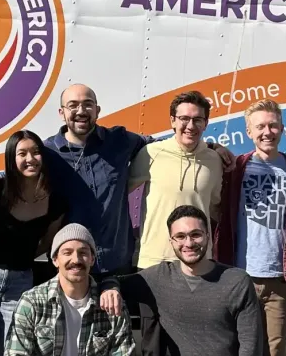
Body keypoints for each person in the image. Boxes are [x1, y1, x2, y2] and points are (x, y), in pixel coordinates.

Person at [43, 83, 234, 280]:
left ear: (97, 110)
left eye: (88, 104)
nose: (81, 111)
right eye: (73, 105)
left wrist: (210, 146)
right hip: (72, 264)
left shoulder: (120, 141)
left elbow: (177, 144)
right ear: (61, 112)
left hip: (116, 263)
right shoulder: (46, 153)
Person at [213, 99, 286, 356]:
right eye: (260, 126)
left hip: (279, 281)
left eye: (273, 125)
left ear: (282, 129)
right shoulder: (235, 168)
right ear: (249, 132)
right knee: (236, 348)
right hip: (238, 277)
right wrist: (212, 146)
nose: (266, 132)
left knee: (273, 350)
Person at [127, 91, 223, 354]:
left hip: (198, 267)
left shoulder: (214, 160)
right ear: (172, 121)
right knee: (153, 344)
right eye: (183, 118)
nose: (190, 126)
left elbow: (215, 208)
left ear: (206, 124)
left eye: (198, 120)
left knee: (194, 344)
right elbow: (117, 193)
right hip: (154, 264)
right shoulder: (151, 153)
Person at [99, 205, 264, 356]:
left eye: (196, 234)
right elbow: (115, 280)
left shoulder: (237, 281)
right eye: (180, 236)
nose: (189, 243)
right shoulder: (159, 277)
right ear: (171, 242)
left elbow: (251, 347)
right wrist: (110, 288)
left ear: (208, 236)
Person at [0, 130, 65, 355]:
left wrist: (23, 252)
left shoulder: (56, 201)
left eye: (36, 152)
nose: (30, 159)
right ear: (12, 158)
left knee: (12, 347)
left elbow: (47, 242)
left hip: (21, 281)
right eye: (22, 153)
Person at [4, 223, 135, 356]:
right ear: (55, 260)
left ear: (92, 259)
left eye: (83, 253)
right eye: (67, 253)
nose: (76, 260)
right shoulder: (32, 303)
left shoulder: (112, 307)